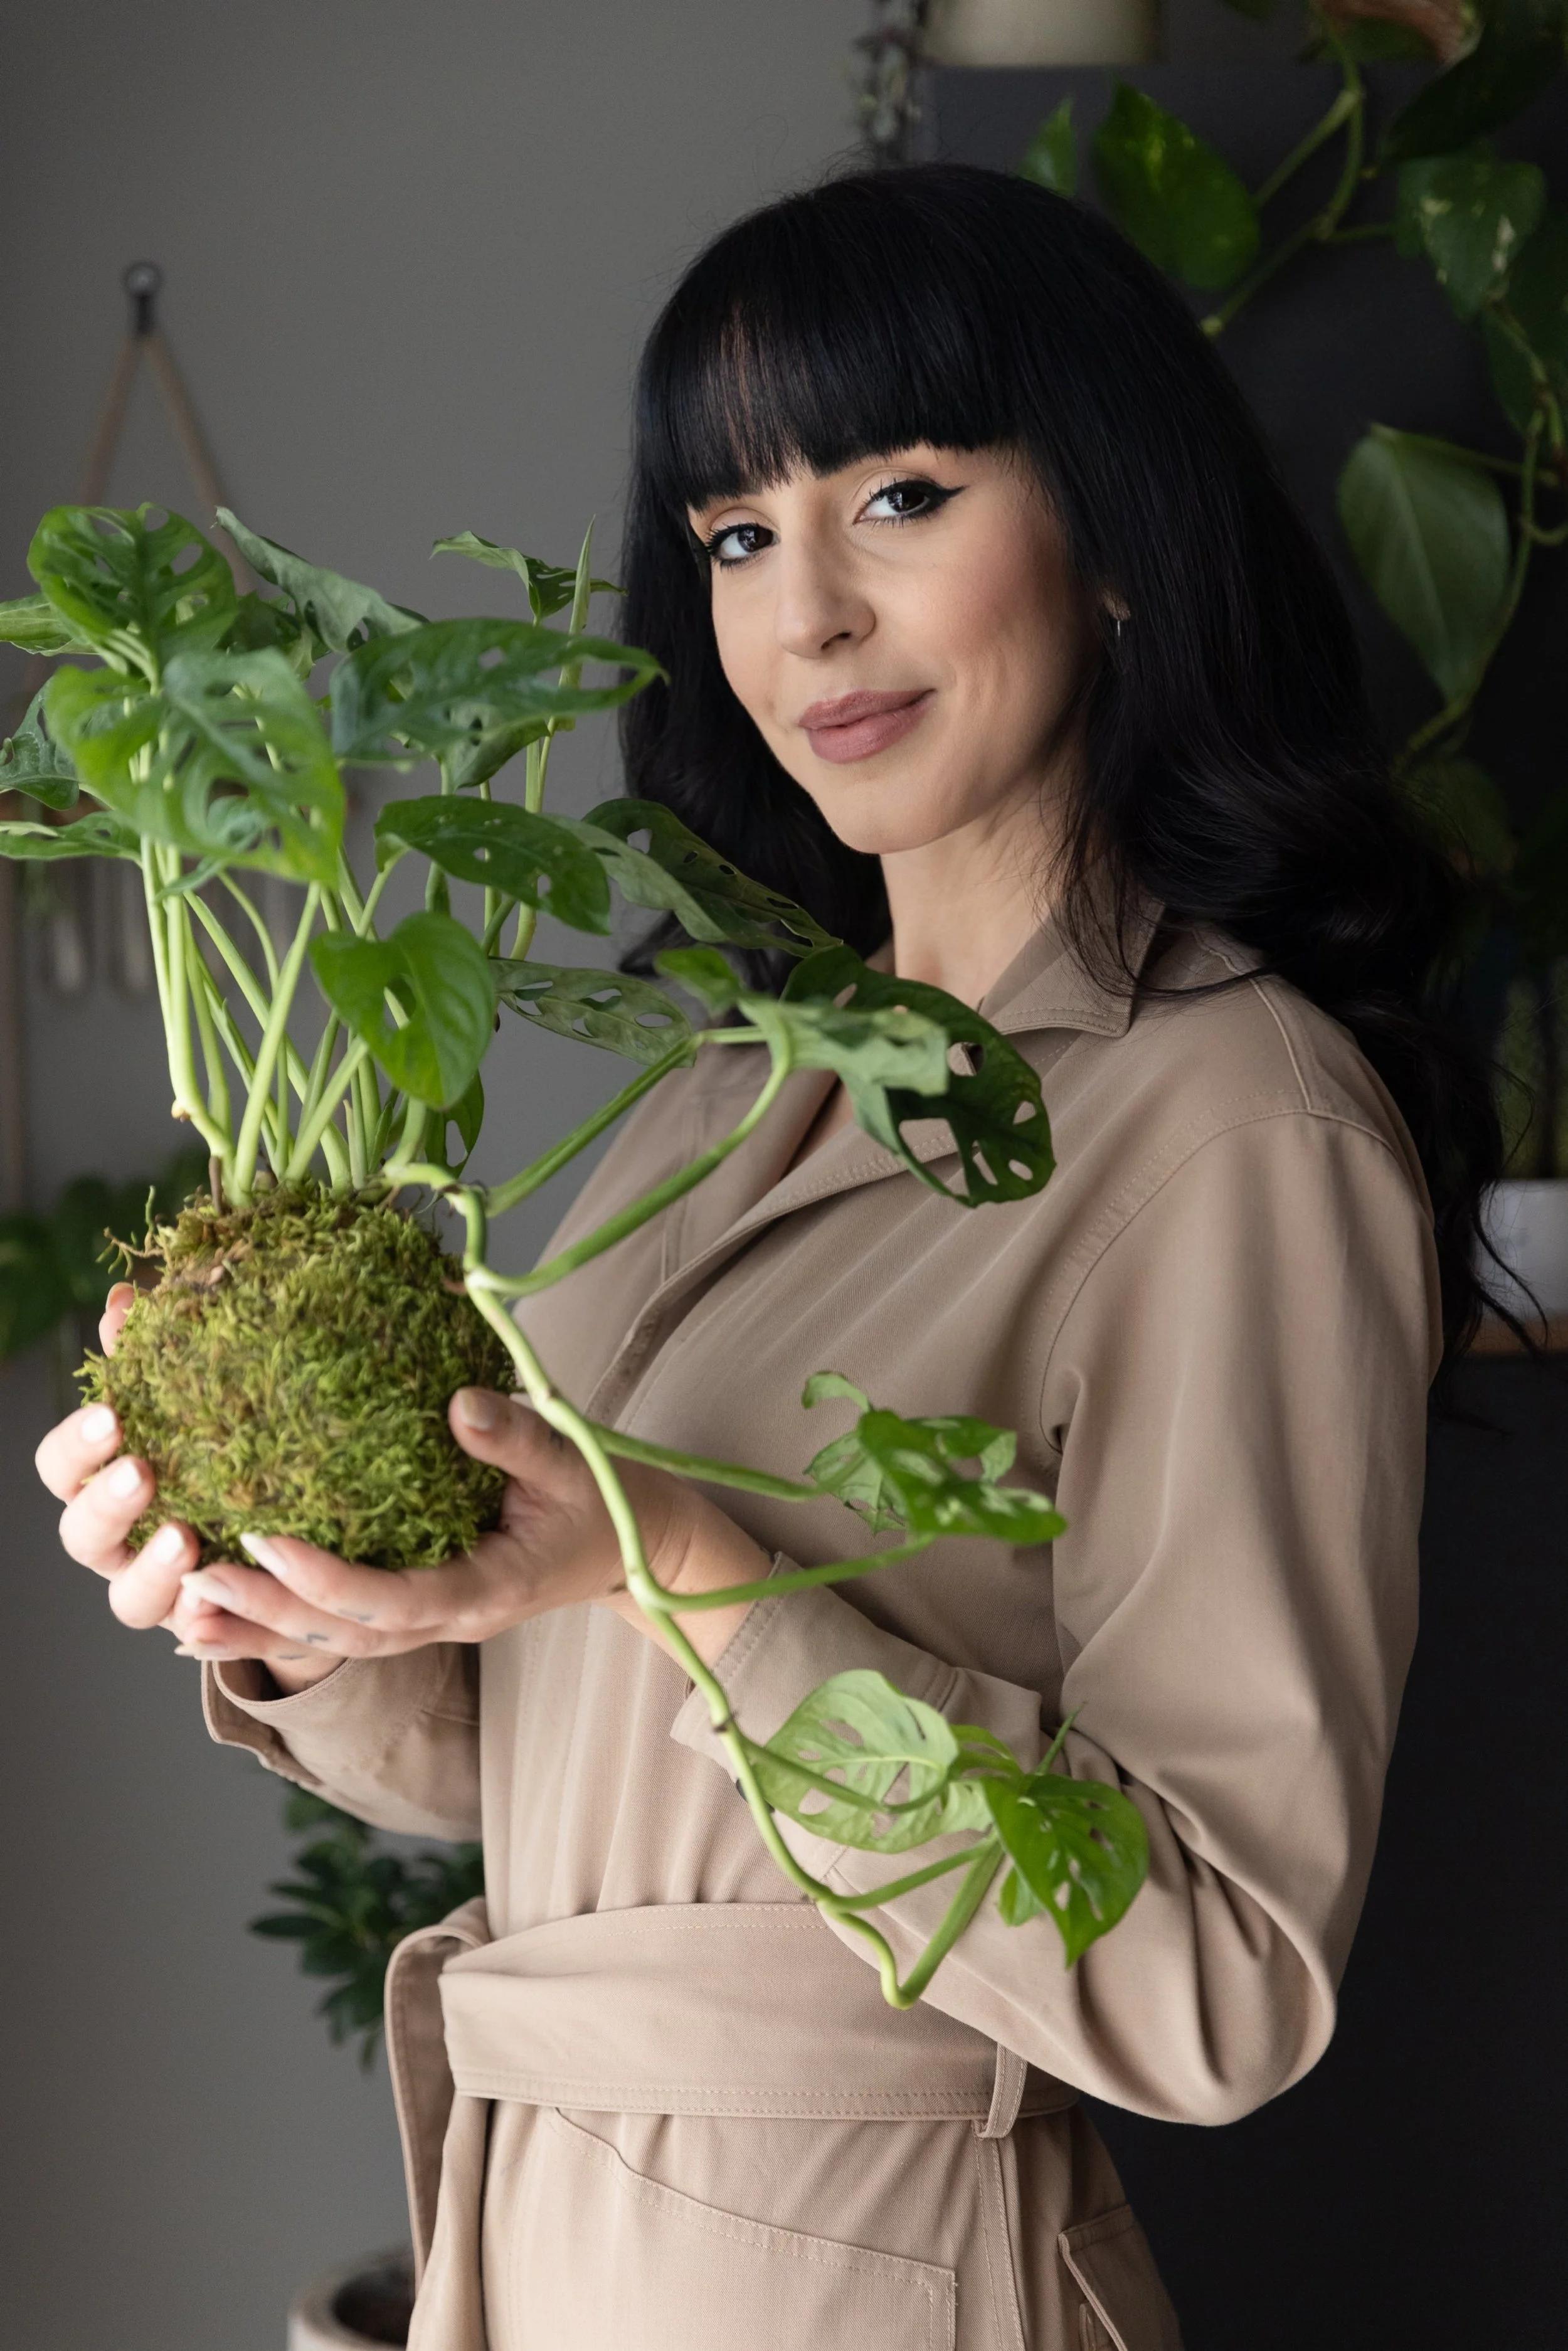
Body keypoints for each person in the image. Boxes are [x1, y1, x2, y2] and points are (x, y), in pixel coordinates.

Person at [35, 165, 1500, 2351]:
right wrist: (306, 1605)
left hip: (864, 2274)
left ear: (1110, 537)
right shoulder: (725, 1092)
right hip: (543, 2244)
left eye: (898, 494)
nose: (802, 610)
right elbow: (539, 1759)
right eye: (734, 534)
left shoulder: (1225, 1120)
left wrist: (677, 1566)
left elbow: (1215, 1977)